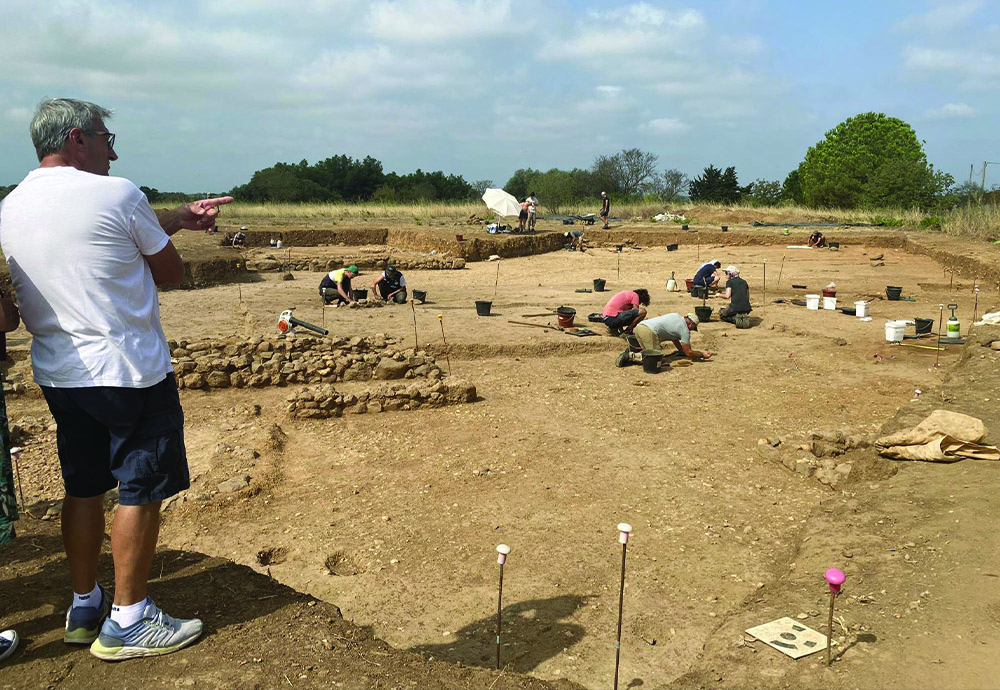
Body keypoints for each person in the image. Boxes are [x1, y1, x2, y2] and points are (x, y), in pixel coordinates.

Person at [0, 97, 234, 661]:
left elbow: (90, 240)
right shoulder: (119, 192)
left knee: (82, 486)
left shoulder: (11, 204)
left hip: (59, 372)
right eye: (107, 138)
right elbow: (171, 272)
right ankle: (129, 619)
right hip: (128, 370)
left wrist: (175, 216)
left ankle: (85, 604)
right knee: (140, 487)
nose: (113, 151)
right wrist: (171, 233)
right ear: (78, 138)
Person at [617, 313, 711, 366]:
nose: (691, 330)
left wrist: (680, 351)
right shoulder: (684, 329)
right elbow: (689, 352)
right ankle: (629, 355)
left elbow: (675, 340)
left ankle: (630, 358)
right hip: (649, 331)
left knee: (648, 353)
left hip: (640, 327)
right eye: (692, 328)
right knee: (655, 359)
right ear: (691, 324)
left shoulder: (676, 316)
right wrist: (702, 355)